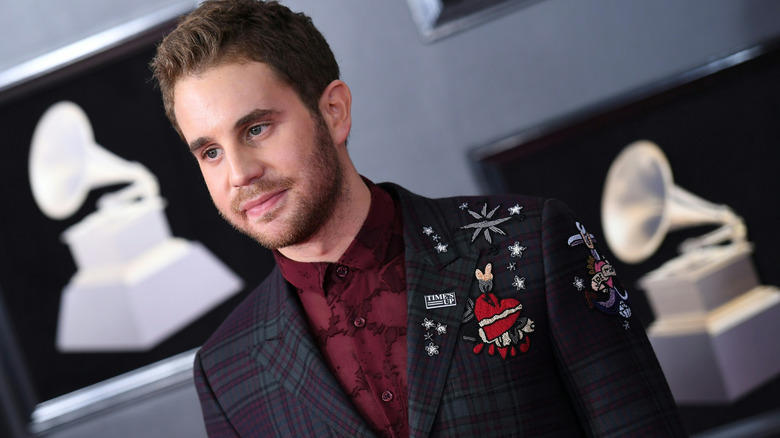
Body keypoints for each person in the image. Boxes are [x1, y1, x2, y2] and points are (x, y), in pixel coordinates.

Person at [151, 1, 687, 436]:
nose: (239, 173)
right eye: (210, 152)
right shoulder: (225, 374)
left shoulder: (532, 242)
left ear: (334, 111)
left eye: (256, 129)